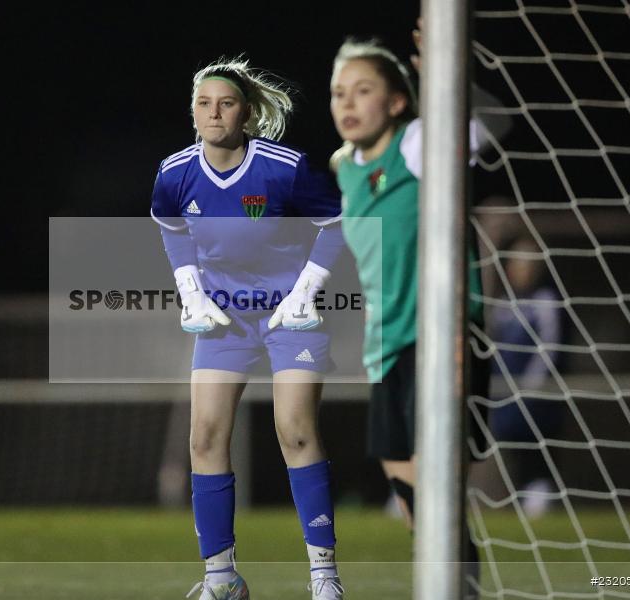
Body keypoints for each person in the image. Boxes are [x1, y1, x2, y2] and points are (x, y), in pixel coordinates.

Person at [150, 57, 347, 600]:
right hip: (224, 319)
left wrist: (305, 292)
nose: (214, 113)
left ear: (247, 113)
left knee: (296, 429)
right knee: (206, 435)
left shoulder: (284, 167)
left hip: (290, 314)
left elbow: (336, 222)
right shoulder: (174, 173)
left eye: (227, 103)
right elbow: (170, 226)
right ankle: (222, 580)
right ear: (193, 113)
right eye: (204, 103)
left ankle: (325, 579)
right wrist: (191, 292)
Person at [328, 23, 511, 599]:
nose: (348, 103)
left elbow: (493, 125)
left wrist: (445, 76)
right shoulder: (344, 168)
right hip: (385, 347)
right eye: (339, 93)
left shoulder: (417, 145)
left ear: (398, 100)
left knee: (440, 497)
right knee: (413, 504)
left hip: (444, 339)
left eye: (362, 89)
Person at [488, 237, 564, 518]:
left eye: (528, 265)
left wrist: (533, 383)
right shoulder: (503, 304)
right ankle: (522, 491)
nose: (522, 271)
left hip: (532, 391)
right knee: (510, 440)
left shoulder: (546, 302)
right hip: (503, 389)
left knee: (535, 440)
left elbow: (549, 346)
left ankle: (540, 490)